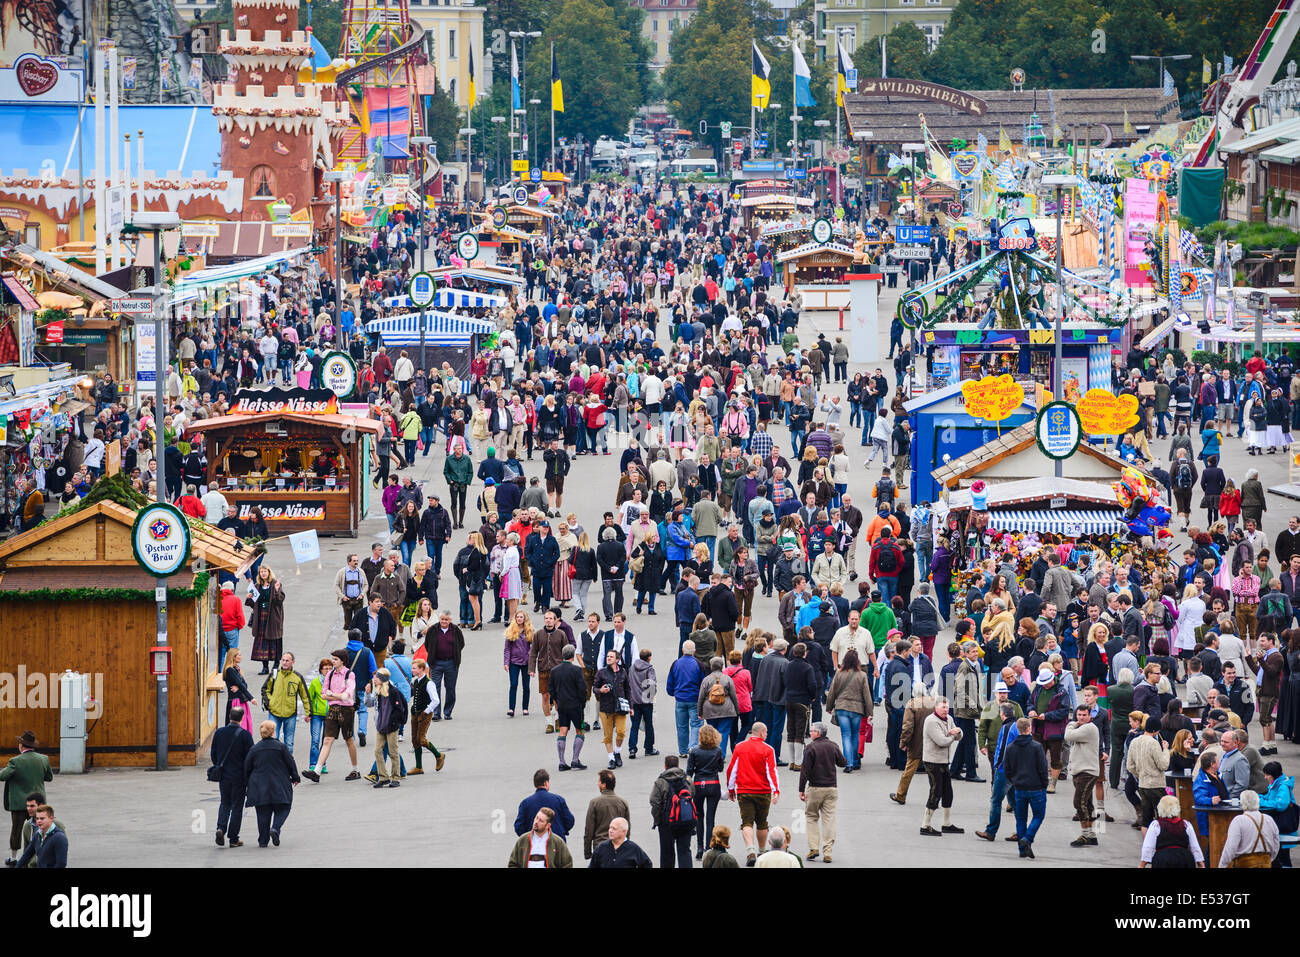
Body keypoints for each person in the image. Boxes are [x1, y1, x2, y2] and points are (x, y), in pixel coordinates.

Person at [302, 648, 361, 783]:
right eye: (333, 658)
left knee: (349, 739)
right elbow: (323, 695)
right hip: (332, 709)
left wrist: (333, 694)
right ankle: (317, 771)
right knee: (327, 740)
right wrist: (337, 695)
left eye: (335, 659)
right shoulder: (330, 675)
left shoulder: (349, 675)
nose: (333, 661)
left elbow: (347, 695)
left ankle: (355, 769)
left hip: (346, 710)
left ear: (342, 661)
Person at [726, 722, 780, 866]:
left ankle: (750, 850)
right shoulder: (768, 749)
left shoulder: (740, 747)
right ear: (762, 733)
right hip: (763, 792)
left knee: (747, 822)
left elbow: (732, 770)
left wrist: (731, 789)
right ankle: (762, 851)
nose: (767, 735)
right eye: (766, 732)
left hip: (744, 791)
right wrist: (776, 790)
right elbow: (771, 771)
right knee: (762, 822)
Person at [243, 719, 299, 848]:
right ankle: (275, 828)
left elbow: (247, 767)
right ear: (274, 732)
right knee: (284, 807)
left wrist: (247, 785)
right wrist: (295, 777)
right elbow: (290, 763)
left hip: (259, 785)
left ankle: (263, 840)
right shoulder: (280, 747)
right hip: (279, 783)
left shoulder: (255, 748)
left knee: (262, 812)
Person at [1, 730, 51, 864]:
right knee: (40, 828)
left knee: (16, 829)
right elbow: (49, 777)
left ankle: (13, 858)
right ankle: (40, 856)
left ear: (21, 746)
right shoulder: (44, 759)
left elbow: (2, 776)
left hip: (19, 803)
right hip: (39, 802)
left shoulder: (15, 761)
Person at [799, 721, 846, 863]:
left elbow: (805, 771)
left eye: (812, 731)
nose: (810, 733)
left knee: (811, 817)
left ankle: (813, 847)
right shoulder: (833, 745)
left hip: (815, 788)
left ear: (817, 733)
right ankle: (828, 852)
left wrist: (801, 789)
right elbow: (842, 762)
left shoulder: (810, 748)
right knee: (829, 819)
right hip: (831, 788)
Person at [1003, 716, 1049, 858]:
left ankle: (1022, 850)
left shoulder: (1010, 748)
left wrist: (1015, 781)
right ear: (1029, 729)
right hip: (1036, 787)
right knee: (1038, 816)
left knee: (1021, 818)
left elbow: (1007, 769)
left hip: (1019, 788)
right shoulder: (1036, 747)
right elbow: (1042, 767)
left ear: (1017, 729)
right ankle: (1027, 838)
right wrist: (1044, 784)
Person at [210, 707, 254, 848]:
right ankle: (233, 838)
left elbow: (213, 753)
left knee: (225, 803)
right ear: (242, 718)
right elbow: (250, 757)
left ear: (229, 715)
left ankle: (221, 828)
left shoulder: (219, 732)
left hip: (223, 775)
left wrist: (218, 765)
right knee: (237, 807)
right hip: (239, 777)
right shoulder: (245, 735)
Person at [919, 696, 963, 837]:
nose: (945, 710)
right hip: (932, 761)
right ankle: (925, 825)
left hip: (944, 761)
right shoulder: (931, 721)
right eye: (942, 707)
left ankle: (947, 823)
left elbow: (959, 734)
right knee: (936, 791)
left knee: (948, 792)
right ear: (935, 708)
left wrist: (956, 732)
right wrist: (952, 735)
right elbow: (942, 741)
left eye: (946, 707)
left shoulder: (949, 719)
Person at [825, 650, 873, 772]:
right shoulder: (862, 675)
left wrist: (829, 706)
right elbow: (867, 695)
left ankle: (848, 763)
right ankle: (856, 761)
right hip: (857, 709)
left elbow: (832, 691)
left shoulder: (839, 674)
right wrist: (869, 712)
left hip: (842, 707)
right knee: (855, 735)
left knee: (846, 735)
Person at [649, 753, 695, 868]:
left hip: (667, 821)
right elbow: (692, 794)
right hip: (685, 819)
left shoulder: (660, 782)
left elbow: (654, 802)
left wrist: (657, 820)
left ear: (665, 766)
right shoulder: (687, 779)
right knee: (684, 851)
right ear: (678, 765)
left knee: (667, 852)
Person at [1064, 704, 1101, 848]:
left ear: (1090, 716)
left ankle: (1085, 834)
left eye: (1084, 715)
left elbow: (1068, 735)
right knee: (1088, 803)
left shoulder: (1089, 728)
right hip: (1079, 770)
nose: (1081, 717)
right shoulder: (1081, 727)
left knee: (1078, 802)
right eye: (1079, 715)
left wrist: (1072, 723)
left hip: (1088, 770)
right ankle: (1092, 836)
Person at [261, 651, 311, 752]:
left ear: (293, 662)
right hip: (274, 713)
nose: (284, 663)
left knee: (289, 743)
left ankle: (288, 766)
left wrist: (308, 712)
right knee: (273, 740)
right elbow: (265, 689)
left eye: (287, 661)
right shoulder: (275, 674)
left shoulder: (297, 677)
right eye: (283, 660)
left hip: (290, 714)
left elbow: (305, 696)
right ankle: (274, 764)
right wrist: (270, 702)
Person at [550, 645, 590, 771]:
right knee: (580, 730)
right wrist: (582, 703)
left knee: (563, 731)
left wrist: (557, 700)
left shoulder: (555, 670)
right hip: (576, 706)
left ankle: (562, 761)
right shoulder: (577, 670)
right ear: (573, 655)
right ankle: (575, 759)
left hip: (562, 705)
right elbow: (582, 689)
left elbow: (551, 689)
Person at [1128, 716, 1172, 828]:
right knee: (1163, 817)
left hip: (1142, 784)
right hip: (1156, 785)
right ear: (1156, 730)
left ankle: (1147, 845)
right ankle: (1161, 843)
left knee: (1146, 820)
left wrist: (1140, 774)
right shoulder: (1153, 743)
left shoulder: (1134, 741)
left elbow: (1130, 766)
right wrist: (1166, 750)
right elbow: (1163, 765)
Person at [1139, 795, 1205, 868]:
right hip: (1184, 859)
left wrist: (1142, 864)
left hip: (1163, 859)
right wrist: (1200, 862)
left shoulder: (1156, 825)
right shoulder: (1186, 824)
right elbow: (1194, 846)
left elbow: (1148, 847)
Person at [1219, 788, 1280, 867]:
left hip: (1245, 863)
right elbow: (1276, 843)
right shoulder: (1269, 819)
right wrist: (1270, 859)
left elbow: (1230, 848)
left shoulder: (1239, 821)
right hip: (1265, 862)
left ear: (1242, 803)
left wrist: (1222, 865)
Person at [513, 768, 576, 842]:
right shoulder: (558, 800)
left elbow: (519, 827)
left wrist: (528, 837)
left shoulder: (525, 803)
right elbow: (570, 821)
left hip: (534, 843)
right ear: (546, 783)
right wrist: (560, 830)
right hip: (556, 843)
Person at [666, 640, 704, 757]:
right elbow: (703, 683)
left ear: (682, 650)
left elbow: (670, 683)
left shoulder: (676, 664)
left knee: (681, 726)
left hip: (680, 699)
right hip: (694, 699)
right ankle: (692, 746)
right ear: (694, 651)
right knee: (696, 724)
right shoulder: (698, 664)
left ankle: (682, 750)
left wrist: (673, 692)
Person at [582, 770, 631, 861]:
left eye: (599, 782)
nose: (597, 784)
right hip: (619, 847)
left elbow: (589, 829)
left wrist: (587, 852)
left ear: (604, 785)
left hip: (600, 846)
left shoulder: (595, 803)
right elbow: (627, 828)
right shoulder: (623, 802)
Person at [408, 656, 445, 774]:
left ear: (422, 669)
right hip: (415, 712)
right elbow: (414, 696)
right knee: (415, 740)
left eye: (414, 668)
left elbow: (436, 700)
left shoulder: (429, 683)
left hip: (425, 714)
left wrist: (426, 711)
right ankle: (419, 767)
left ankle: (439, 755)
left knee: (421, 739)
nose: (412, 670)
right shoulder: (416, 681)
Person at [508, 807, 574, 868]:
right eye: (536, 818)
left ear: (548, 825)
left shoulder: (558, 842)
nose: (536, 822)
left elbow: (567, 864)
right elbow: (512, 864)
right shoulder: (523, 840)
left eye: (541, 821)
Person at [588, 816, 653, 869]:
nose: (610, 831)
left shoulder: (633, 848)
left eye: (614, 829)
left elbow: (647, 864)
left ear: (624, 832)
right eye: (610, 828)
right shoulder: (601, 847)